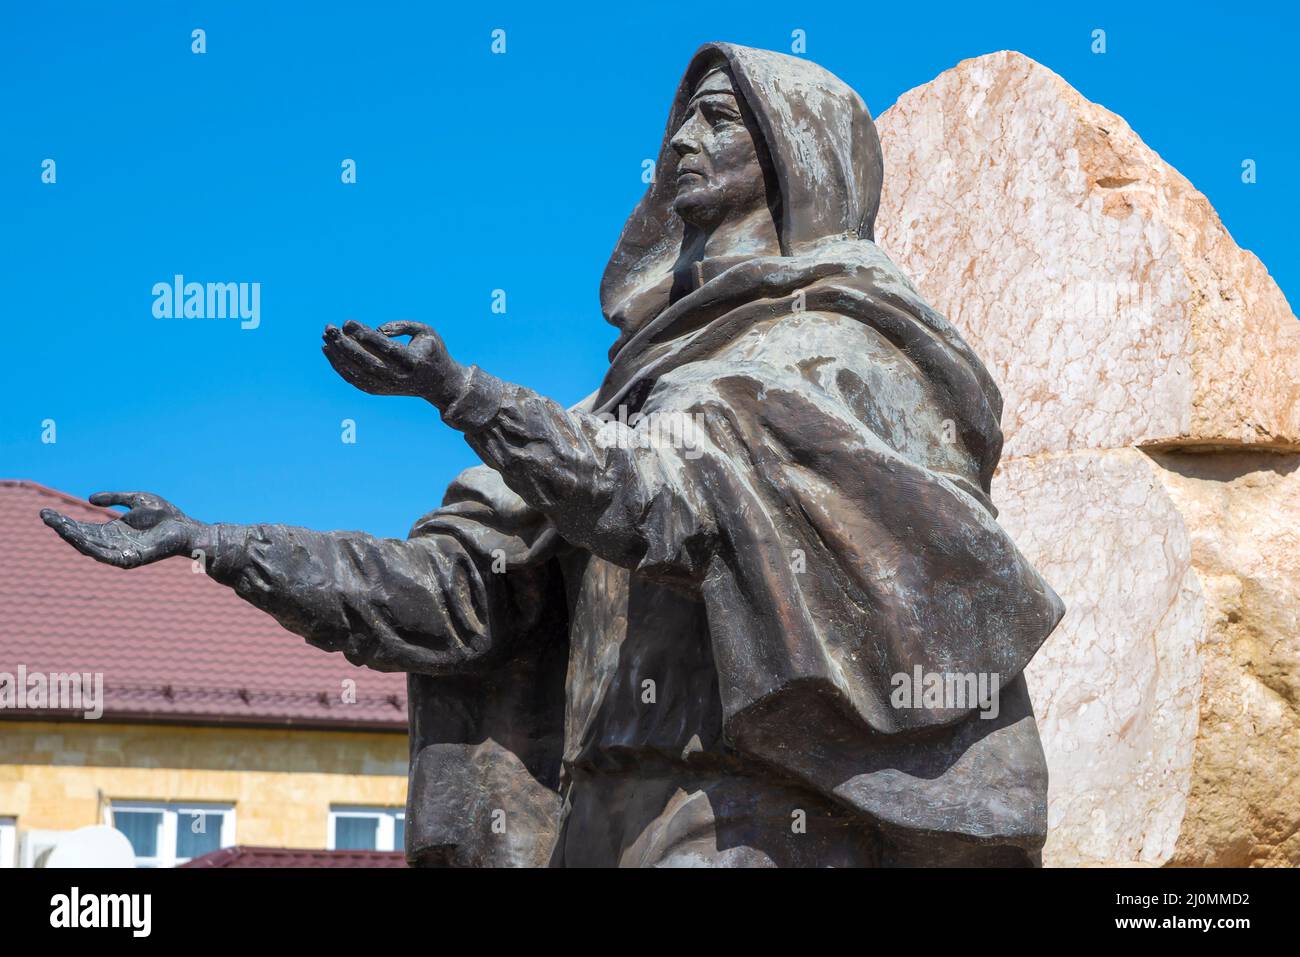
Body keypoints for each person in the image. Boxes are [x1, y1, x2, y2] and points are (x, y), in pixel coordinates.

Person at [42, 43, 1064, 867]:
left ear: (799, 154)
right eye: (680, 123)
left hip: (754, 809)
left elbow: (659, 499)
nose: (683, 142)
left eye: (720, 118)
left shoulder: (831, 350)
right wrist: (219, 542)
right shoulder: (616, 396)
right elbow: (448, 596)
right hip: (590, 811)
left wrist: (461, 393)